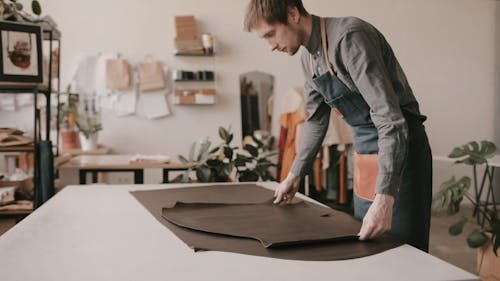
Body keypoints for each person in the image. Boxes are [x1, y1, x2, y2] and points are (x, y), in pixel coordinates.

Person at [244, 0, 432, 252]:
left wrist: (385, 198)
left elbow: (389, 119)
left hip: (401, 151)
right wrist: (294, 174)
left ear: (292, 13)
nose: (271, 46)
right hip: (365, 152)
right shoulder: (308, 59)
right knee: (369, 245)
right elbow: (315, 121)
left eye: (271, 34)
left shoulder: (349, 38)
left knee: (405, 249)